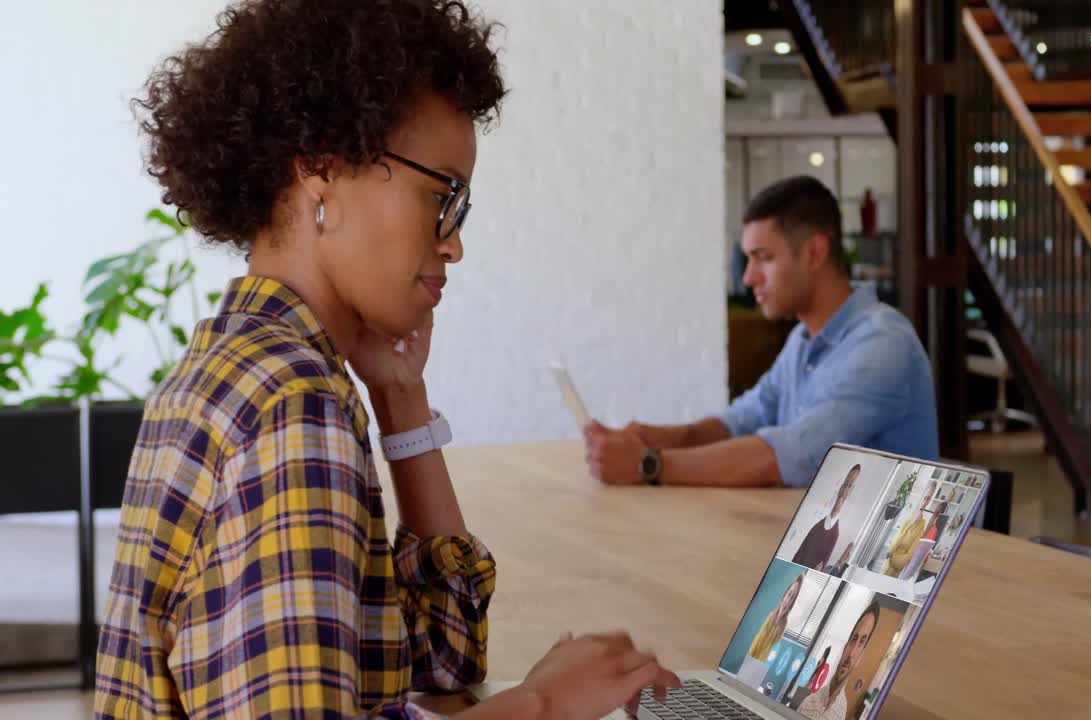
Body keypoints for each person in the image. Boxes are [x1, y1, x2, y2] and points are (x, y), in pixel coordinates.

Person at [93, 2, 677, 719]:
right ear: (320, 171)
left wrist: (401, 399)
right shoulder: (288, 407)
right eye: (442, 195)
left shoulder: (244, 358)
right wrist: (544, 704)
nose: (454, 241)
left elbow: (438, 659)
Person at [582, 176, 939, 489]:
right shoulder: (803, 341)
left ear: (814, 253)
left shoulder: (881, 344)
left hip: (879, 561)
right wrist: (668, 439)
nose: (749, 277)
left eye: (763, 257)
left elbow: (792, 456)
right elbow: (742, 421)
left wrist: (648, 465)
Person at [796, 603, 881, 720]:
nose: (851, 653)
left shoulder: (841, 714)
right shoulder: (808, 702)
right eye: (854, 639)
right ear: (845, 646)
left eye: (861, 642)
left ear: (861, 655)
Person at [792, 464, 860, 569]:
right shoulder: (817, 527)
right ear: (841, 486)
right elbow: (800, 552)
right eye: (845, 484)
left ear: (851, 490)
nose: (845, 490)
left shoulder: (834, 534)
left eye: (850, 486)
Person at [885, 480, 938, 577]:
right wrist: (910, 525)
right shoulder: (907, 517)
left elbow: (910, 554)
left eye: (928, 499)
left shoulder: (922, 524)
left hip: (897, 569)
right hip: (888, 566)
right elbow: (894, 543)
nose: (925, 503)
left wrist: (893, 556)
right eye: (925, 498)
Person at [748, 575, 805, 662]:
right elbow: (757, 641)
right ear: (785, 594)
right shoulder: (771, 616)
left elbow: (771, 653)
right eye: (789, 594)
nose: (788, 600)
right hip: (750, 659)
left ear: (793, 603)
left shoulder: (783, 626)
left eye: (792, 598)